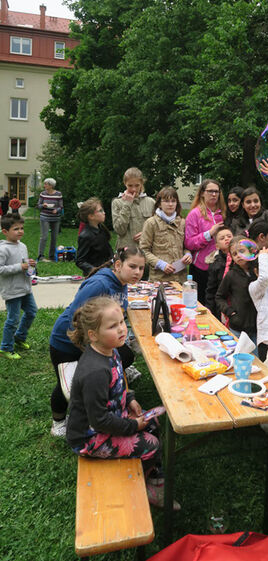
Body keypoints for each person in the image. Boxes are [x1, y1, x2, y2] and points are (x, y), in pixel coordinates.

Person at [66, 296, 173, 508]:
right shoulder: (94, 372)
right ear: (93, 335)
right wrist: (133, 425)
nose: (122, 329)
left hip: (110, 418)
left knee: (153, 424)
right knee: (152, 444)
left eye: (122, 322)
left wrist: (130, 398)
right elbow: (98, 421)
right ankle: (141, 484)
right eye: (113, 326)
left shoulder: (110, 350)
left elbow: (118, 384)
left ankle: (151, 471)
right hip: (90, 437)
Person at [49, 245, 145, 437]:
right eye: (132, 266)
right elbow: (76, 318)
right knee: (71, 382)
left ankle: (108, 397)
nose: (138, 272)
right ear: (118, 265)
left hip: (95, 339)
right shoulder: (99, 284)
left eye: (141, 268)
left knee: (124, 356)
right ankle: (58, 422)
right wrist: (92, 350)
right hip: (67, 341)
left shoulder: (122, 282)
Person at [0, 213, 38, 359]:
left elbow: (24, 263)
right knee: (13, 319)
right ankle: (5, 347)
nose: (20, 231)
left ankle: (19, 337)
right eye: (16, 229)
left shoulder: (23, 246)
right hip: (12, 290)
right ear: (5, 231)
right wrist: (19, 267)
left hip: (25, 288)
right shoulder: (3, 249)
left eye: (22, 228)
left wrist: (30, 264)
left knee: (32, 312)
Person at [184, 179, 225, 304]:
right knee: (200, 305)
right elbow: (189, 243)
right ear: (202, 193)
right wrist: (209, 234)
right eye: (210, 191)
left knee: (217, 304)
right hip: (200, 269)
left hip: (220, 267)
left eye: (216, 192)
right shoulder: (194, 214)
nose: (214, 194)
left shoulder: (222, 214)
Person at [139, 186, 191, 283]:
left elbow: (186, 246)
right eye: (166, 201)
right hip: (159, 278)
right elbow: (144, 250)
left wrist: (188, 254)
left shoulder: (182, 222)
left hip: (180, 277)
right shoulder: (151, 223)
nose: (170, 204)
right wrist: (160, 264)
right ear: (159, 203)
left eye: (173, 201)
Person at [215, 235, 258, 343]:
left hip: (258, 327)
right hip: (238, 327)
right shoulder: (231, 275)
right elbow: (219, 297)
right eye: (234, 254)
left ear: (250, 251)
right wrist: (229, 312)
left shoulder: (258, 271)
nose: (238, 255)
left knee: (256, 358)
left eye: (241, 251)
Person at [112, 167, 156, 248]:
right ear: (125, 183)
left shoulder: (151, 202)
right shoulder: (117, 202)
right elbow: (119, 230)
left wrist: (146, 233)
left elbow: (159, 228)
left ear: (142, 183)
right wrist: (127, 204)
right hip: (126, 253)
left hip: (147, 251)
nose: (134, 189)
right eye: (130, 185)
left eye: (137, 185)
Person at [231, 187, 268, 251]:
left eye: (256, 201)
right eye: (248, 202)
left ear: (260, 202)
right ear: (243, 205)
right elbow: (233, 244)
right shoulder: (236, 222)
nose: (253, 205)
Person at [76, 198, 113, 277]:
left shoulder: (101, 229)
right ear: (91, 216)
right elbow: (80, 261)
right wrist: (94, 270)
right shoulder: (85, 236)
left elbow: (107, 250)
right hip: (94, 277)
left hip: (106, 272)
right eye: (100, 211)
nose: (104, 213)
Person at [204, 226, 234, 318]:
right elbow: (211, 290)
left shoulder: (241, 260)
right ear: (217, 246)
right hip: (222, 306)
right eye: (222, 238)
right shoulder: (215, 264)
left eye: (229, 236)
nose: (226, 239)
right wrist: (210, 310)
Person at [37, 178, 63, 262]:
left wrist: (57, 210)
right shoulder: (43, 194)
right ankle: (41, 256)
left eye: (46, 184)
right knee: (44, 237)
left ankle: (51, 256)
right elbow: (38, 205)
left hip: (55, 218)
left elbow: (61, 206)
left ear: (51, 185)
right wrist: (43, 205)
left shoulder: (58, 194)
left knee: (54, 238)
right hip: (44, 217)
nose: (44, 186)